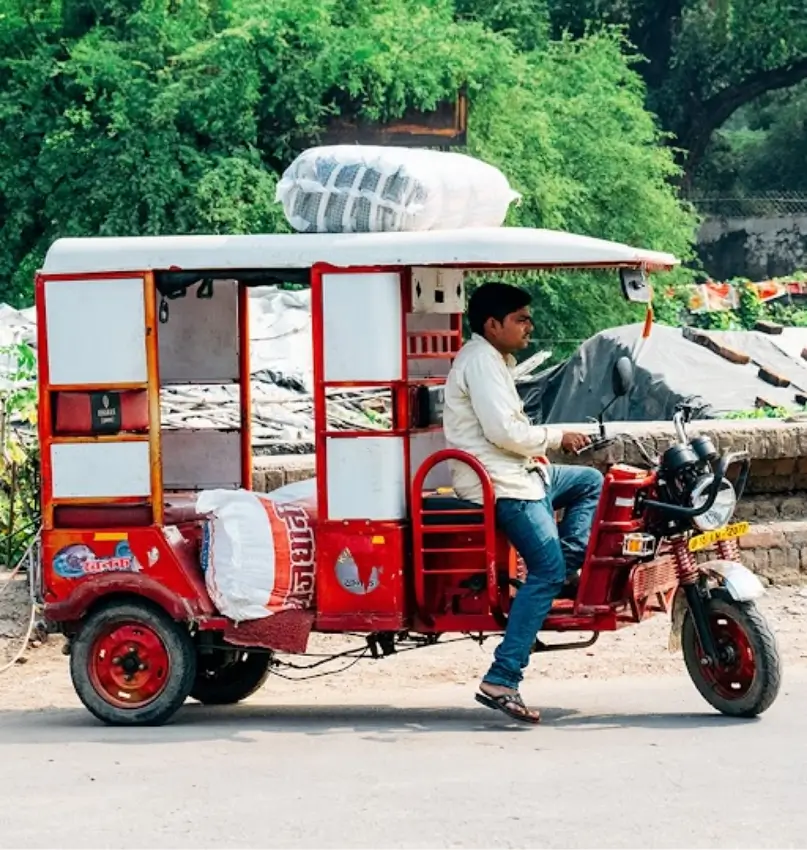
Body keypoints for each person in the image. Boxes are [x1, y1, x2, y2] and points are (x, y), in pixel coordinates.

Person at [442, 280, 604, 724]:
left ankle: (567, 567)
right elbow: (505, 433)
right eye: (521, 319)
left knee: (589, 481)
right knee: (545, 570)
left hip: (523, 474)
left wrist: (543, 447)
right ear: (492, 324)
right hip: (502, 485)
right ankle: (502, 676)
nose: (529, 326)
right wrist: (556, 436)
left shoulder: (494, 359)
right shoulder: (480, 361)